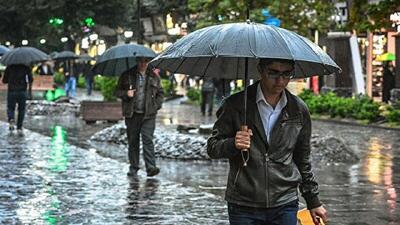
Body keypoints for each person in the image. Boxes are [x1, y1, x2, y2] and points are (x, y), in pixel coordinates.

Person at [207, 58, 327, 225]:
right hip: (244, 203)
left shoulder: (298, 109)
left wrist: (313, 201)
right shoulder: (235, 105)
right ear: (260, 70)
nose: (280, 80)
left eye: (286, 74)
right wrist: (233, 143)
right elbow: (212, 147)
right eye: (273, 73)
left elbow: (302, 158)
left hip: (285, 201)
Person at [115, 57, 164, 177]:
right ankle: (134, 167)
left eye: (145, 62)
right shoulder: (127, 75)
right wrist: (126, 93)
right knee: (133, 141)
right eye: (140, 61)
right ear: (137, 62)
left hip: (148, 114)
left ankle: (151, 167)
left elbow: (160, 93)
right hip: (132, 114)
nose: (143, 64)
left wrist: (156, 105)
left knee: (148, 139)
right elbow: (117, 91)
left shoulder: (154, 76)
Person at [2, 64, 33, 134]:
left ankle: (11, 118)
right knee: (21, 109)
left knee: (10, 107)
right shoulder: (26, 67)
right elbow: (30, 79)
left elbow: (4, 80)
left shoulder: (10, 67)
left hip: (12, 91)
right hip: (22, 91)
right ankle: (19, 127)